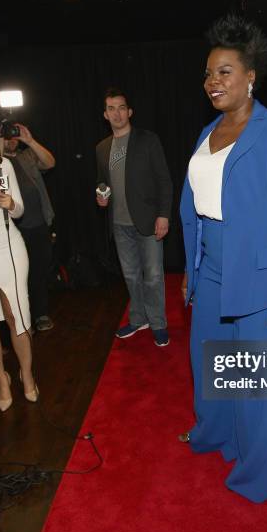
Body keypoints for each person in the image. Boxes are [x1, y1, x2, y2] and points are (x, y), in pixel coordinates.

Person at [179, 15, 267, 503]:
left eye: (224, 72)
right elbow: (195, 206)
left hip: (262, 280)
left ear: (250, 76)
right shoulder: (206, 131)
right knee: (212, 368)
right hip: (211, 274)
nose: (212, 82)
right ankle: (219, 436)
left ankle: (266, 472)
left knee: (265, 386)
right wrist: (192, 271)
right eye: (209, 74)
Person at [96, 88, 173, 346]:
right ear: (105, 114)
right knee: (130, 275)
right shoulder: (102, 148)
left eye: (121, 107)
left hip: (149, 222)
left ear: (129, 111)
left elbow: (164, 180)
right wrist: (101, 196)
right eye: (111, 109)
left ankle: (158, 323)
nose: (116, 113)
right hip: (119, 225)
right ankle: (138, 318)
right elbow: (102, 183)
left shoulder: (148, 139)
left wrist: (163, 215)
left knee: (152, 275)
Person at [0, 115, 38, 411]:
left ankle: (26, 374)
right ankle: (1, 379)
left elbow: (20, 210)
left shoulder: (4, 165)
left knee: (18, 317)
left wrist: (10, 204)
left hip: (8, 247)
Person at [3, 125, 56, 332]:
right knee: (17, 276)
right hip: (13, 228)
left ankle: (40, 314)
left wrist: (30, 140)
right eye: (7, 134)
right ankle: (22, 320)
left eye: (14, 134)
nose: (12, 138)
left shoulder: (26, 156)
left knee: (39, 271)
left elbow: (50, 163)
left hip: (39, 223)